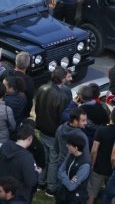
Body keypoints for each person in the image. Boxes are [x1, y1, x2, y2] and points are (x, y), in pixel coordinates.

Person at [35, 67, 71, 195]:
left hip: (42, 128)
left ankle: (40, 182)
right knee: (53, 159)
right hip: (53, 132)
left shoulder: (42, 88)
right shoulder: (61, 96)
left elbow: (37, 109)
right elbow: (61, 117)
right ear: (62, 79)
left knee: (43, 157)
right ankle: (50, 186)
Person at [0, 124, 39, 203]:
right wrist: (37, 173)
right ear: (30, 138)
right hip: (16, 196)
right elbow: (30, 181)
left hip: (0, 190)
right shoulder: (26, 157)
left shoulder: (5, 146)